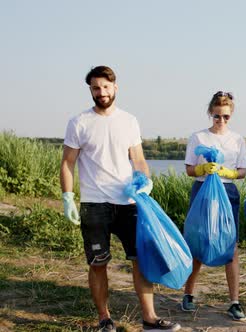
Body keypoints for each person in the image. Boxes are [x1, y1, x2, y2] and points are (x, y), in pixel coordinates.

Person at [60, 66, 180, 332]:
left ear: (115, 87)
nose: (101, 93)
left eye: (105, 87)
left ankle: (149, 318)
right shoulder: (79, 122)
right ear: (90, 90)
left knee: (142, 260)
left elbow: (138, 159)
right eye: (95, 88)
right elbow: (68, 163)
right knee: (98, 263)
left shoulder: (129, 121)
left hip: (129, 204)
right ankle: (105, 319)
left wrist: (145, 181)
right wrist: (68, 196)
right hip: (94, 205)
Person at [181, 91, 246, 321]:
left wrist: (226, 172)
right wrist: (202, 170)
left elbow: (242, 171)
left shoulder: (237, 140)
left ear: (231, 115)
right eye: (217, 116)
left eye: (226, 117)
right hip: (203, 191)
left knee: (231, 245)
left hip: (227, 191)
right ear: (211, 113)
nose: (221, 121)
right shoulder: (198, 137)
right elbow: (189, 168)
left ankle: (235, 302)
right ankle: (188, 294)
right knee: (199, 243)